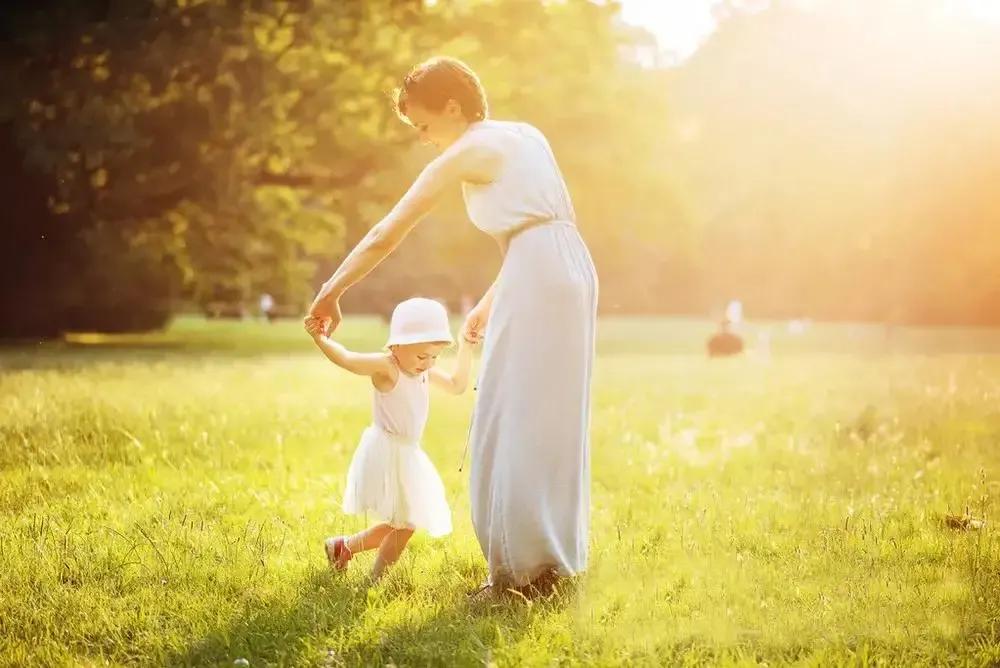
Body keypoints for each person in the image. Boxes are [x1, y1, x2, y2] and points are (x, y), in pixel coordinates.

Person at [305, 56, 598, 598]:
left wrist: (331, 291)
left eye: (422, 125)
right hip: (569, 266)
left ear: (452, 106)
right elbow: (541, 227)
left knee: (505, 420)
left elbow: (386, 233)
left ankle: (515, 576)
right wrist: (491, 298)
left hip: (537, 269)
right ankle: (551, 563)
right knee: (549, 419)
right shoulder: (525, 135)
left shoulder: (468, 150)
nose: (422, 139)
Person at [305, 297, 476, 581]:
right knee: (405, 523)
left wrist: (467, 346)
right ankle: (374, 579)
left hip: (408, 454)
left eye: (435, 356)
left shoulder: (424, 370)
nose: (428, 363)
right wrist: (320, 339)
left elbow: (458, 386)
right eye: (422, 356)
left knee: (403, 522)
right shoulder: (388, 367)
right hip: (388, 451)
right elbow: (348, 359)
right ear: (397, 345)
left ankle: (343, 547)